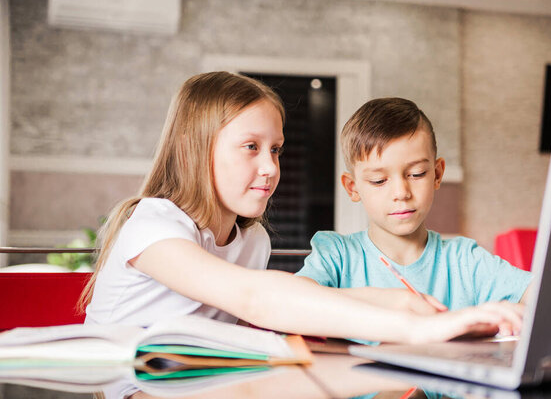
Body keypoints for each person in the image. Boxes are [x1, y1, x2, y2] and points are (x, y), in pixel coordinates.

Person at [81, 73, 523, 344]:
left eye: (276, 149)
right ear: (194, 149)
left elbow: (315, 299)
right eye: (250, 148)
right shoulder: (152, 223)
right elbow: (255, 298)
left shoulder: (251, 240)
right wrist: (414, 330)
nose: (270, 167)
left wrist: (400, 303)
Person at [296, 97, 531, 336]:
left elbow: (542, 296)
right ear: (352, 188)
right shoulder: (336, 255)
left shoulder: (465, 261)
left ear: (437, 174)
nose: (401, 193)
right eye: (379, 181)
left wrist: (509, 313)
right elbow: (294, 304)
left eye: (417, 174)